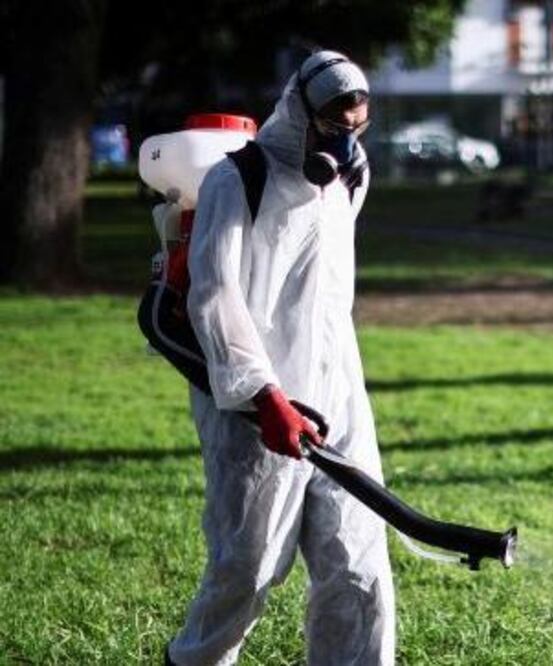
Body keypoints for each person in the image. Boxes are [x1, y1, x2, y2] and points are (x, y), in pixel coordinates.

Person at [165, 50, 395, 665]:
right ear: (301, 111)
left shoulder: (352, 176)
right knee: (248, 566)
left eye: (359, 123)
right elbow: (215, 298)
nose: (346, 138)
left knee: (359, 558)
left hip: (339, 389)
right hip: (256, 403)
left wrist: (335, 387)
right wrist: (265, 397)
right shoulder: (237, 179)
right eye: (334, 122)